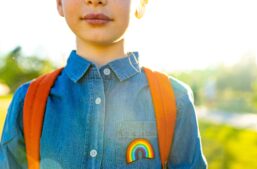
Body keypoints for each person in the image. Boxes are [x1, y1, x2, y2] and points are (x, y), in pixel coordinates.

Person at [0, 0, 207, 168]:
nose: (95, 1)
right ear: (59, 3)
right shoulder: (28, 100)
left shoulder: (173, 98)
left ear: (142, 4)